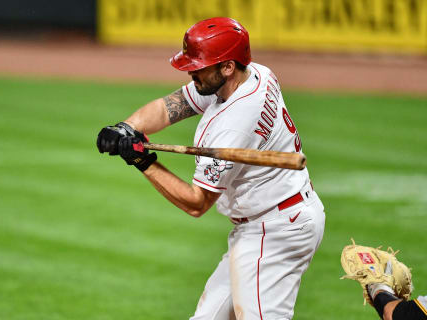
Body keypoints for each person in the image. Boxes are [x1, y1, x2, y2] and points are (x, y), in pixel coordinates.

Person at [96, 17, 325, 320]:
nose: (192, 72)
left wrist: (142, 161)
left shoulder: (232, 126)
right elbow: (174, 104)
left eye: (199, 65)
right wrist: (126, 128)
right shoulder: (256, 74)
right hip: (273, 217)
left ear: (227, 66)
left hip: (276, 231)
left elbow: (197, 203)